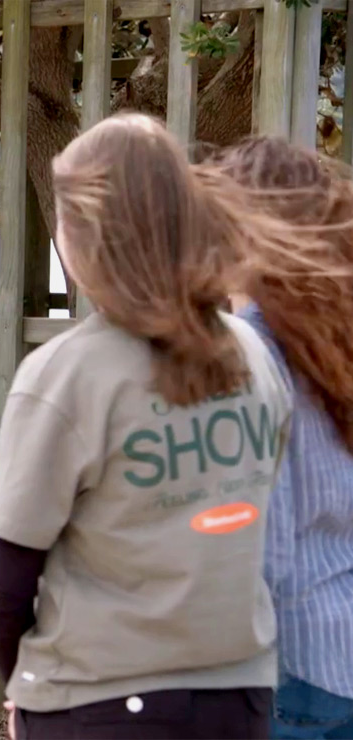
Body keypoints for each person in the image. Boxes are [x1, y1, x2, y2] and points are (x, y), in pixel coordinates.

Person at [0, 113, 300, 740]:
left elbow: (2, 586)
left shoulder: (67, 374)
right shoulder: (254, 356)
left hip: (100, 703)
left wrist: (31, 693)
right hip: (239, 698)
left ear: (81, 237)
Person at [210, 137, 353, 739]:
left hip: (283, 668)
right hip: (339, 649)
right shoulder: (334, 342)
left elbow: (261, 552)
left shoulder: (246, 353)